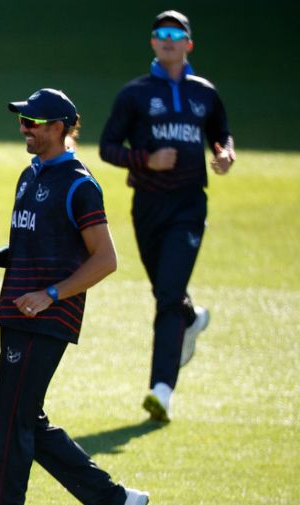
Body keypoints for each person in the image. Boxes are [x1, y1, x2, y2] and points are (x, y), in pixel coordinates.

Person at [0, 89, 150, 505]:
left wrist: (53, 295)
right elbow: (33, 248)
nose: (26, 128)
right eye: (22, 120)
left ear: (62, 126)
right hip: (19, 314)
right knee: (25, 423)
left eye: (35, 121)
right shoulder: (31, 176)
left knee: (9, 425)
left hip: (46, 318)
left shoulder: (80, 184)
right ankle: (117, 503)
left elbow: (105, 259)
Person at [99, 9, 234, 422]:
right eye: (161, 33)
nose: (168, 39)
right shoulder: (135, 95)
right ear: (153, 43)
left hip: (190, 206)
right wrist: (146, 160)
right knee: (167, 293)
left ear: (188, 43)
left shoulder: (204, 93)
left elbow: (220, 133)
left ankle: (161, 389)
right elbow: (107, 147)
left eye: (177, 33)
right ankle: (192, 320)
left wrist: (225, 153)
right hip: (148, 207)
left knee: (168, 296)